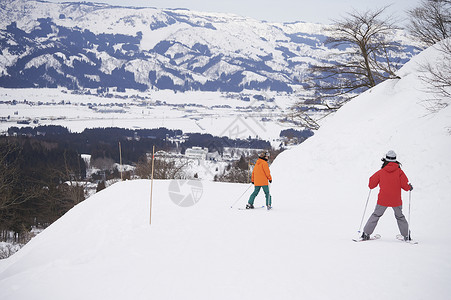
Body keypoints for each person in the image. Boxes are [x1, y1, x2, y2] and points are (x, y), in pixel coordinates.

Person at [362, 150, 414, 241]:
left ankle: (366, 233)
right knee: (400, 216)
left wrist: (372, 182)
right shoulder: (399, 172)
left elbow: (371, 185)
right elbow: (405, 186)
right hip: (396, 200)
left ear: (386, 160)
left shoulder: (381, 172)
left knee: (376, 215)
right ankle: (406, 236)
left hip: (383, 199)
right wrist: (409, 187)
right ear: (395, 160)